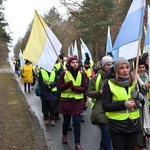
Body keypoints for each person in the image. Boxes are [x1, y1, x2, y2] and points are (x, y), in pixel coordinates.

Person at [102, 57, 145, 150]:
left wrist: (139, 96)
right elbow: (105, 106)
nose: (125, 70)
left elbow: (142, 103)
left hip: (133, 124)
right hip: (117, 125)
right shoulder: (109, 84)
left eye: (127, 67)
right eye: (121, 68)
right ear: (116, 69)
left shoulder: (134, 82)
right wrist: (124, 104)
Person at [57, 56, 88, 150]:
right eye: (73, 62)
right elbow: (59, 87)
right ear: (69, 64)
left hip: (78, 102)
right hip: (66, 101)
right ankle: (64, 135)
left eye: (76, 62)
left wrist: (76, 88)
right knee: (66, 121)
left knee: (77, 123)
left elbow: (85, 87)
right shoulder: (64, 74)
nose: (75, 64)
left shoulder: (81, 74)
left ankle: (77, 143)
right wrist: (67, 85)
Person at [86, 55, 113, 150]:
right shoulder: (96, 78)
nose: (110, 67)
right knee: (106, 132)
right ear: (103, 65)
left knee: (109, 134)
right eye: (108, 65)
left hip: (113, 109)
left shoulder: (116, 77)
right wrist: (99, 93)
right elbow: (88, 92)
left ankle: (102, 147)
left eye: (111, 64)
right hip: (100, 108)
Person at [134, 58, 150, 150]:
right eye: (139, 67)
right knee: (140, 125)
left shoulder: (147, 75)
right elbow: (137, 92)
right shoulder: (134, 77)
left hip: (147, 103)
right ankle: (140, 145)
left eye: (143, 67)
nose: (141, 69)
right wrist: (145, 87)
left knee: (145, 122)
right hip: (139, 105)